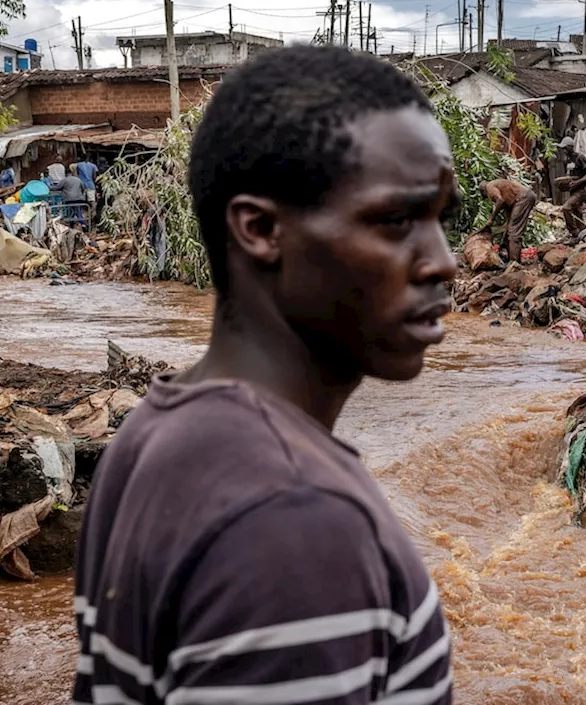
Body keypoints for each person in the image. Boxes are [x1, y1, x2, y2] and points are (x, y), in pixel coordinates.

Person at [72, 47, 454, 705]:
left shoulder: (152, 433)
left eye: (440, 217)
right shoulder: (295, 517)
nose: (442, 261)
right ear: (259, 229)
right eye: (397, 220)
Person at [479, 178, 537, 262]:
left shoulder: (489, 187)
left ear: (484, 192)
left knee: (514, 233)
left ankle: (514, 263)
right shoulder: (499, 186)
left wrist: (491, 219)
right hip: (524, 197)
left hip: (523, 197)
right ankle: (511, 258)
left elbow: (500, 200)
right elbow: (507, 204)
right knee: (510, 229)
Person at [75, 158, 99, 224]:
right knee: (92, 202)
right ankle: (92, 217)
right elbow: (94, 176)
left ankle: (81, 219)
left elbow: (77, 174)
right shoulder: (93, 165)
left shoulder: (78, 165)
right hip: (90, 185)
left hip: (81, 185)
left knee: (80, 203)